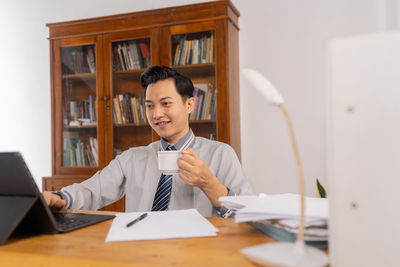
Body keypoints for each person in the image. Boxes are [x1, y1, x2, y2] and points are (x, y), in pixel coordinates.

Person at [43, 65, 252, 217]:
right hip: (140, 252)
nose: (156, 114)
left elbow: (247, 215)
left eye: (166, 103)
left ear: (189, 105)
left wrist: (208, 182)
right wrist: (58, 196)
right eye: (149, 106)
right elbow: (91, 191)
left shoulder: (221, 154)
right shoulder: (133, 158)